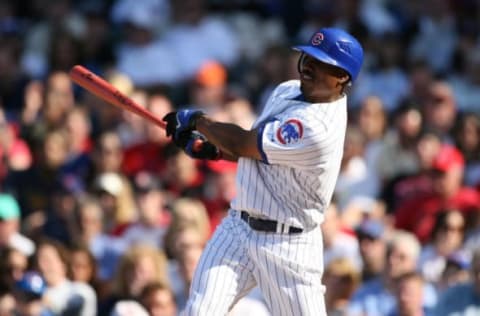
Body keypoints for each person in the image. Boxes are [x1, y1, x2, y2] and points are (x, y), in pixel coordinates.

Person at [162, 27, 364, 315]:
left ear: (342, 77)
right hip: (238, 228)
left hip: (289, 244)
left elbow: (244, 143)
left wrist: (198, 121)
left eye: (321, 64)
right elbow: (257, 152)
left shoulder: (319, 127)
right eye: (308, 57)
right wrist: (211, 150)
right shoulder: (287, 90)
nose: (308, 67)